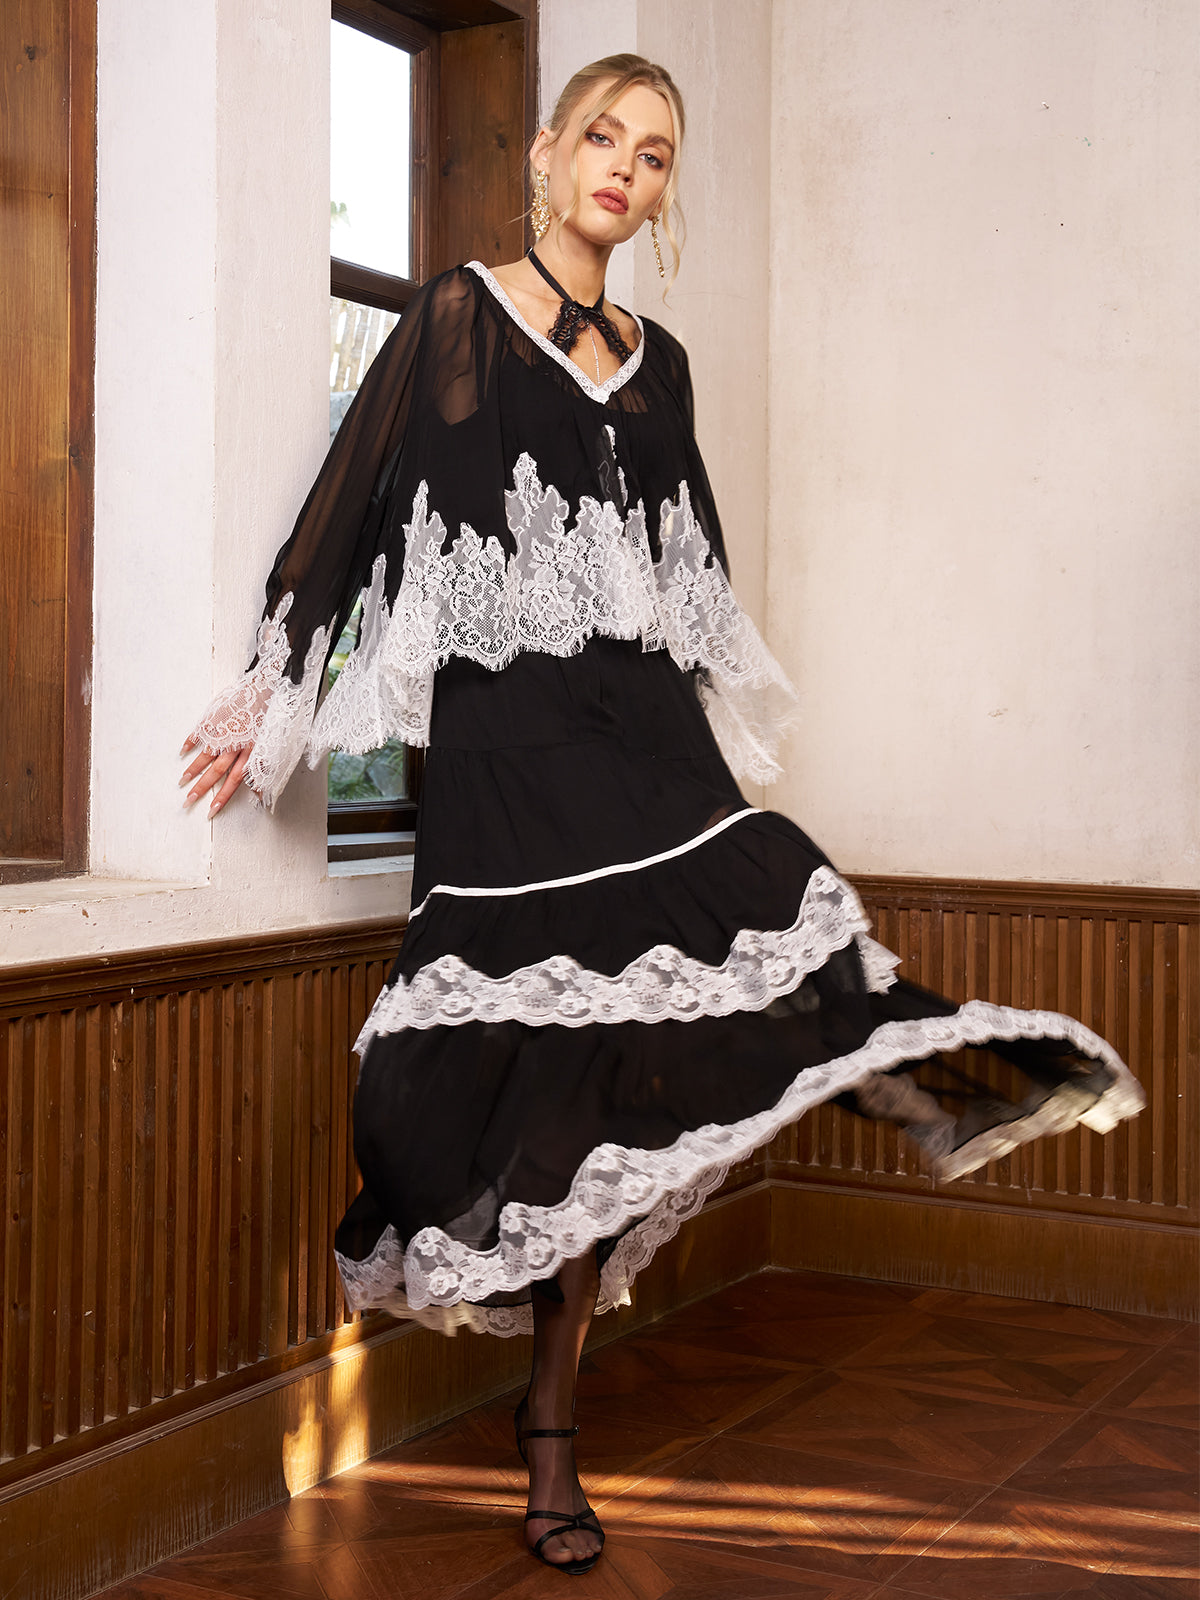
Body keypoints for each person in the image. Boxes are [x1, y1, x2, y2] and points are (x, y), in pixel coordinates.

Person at [181, 54, 1144, 1578]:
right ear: (551, 153)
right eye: (606, 138)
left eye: (659, 152)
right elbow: (357, 510)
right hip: (507, 762)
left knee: (771, 890)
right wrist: (271, 693)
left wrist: (715, 705)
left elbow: (685, 565)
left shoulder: (664, 361)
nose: (628, 168)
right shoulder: (454, 319)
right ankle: (555, 1423)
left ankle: (901, 1079)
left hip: (641, 738)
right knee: (550, 1095)